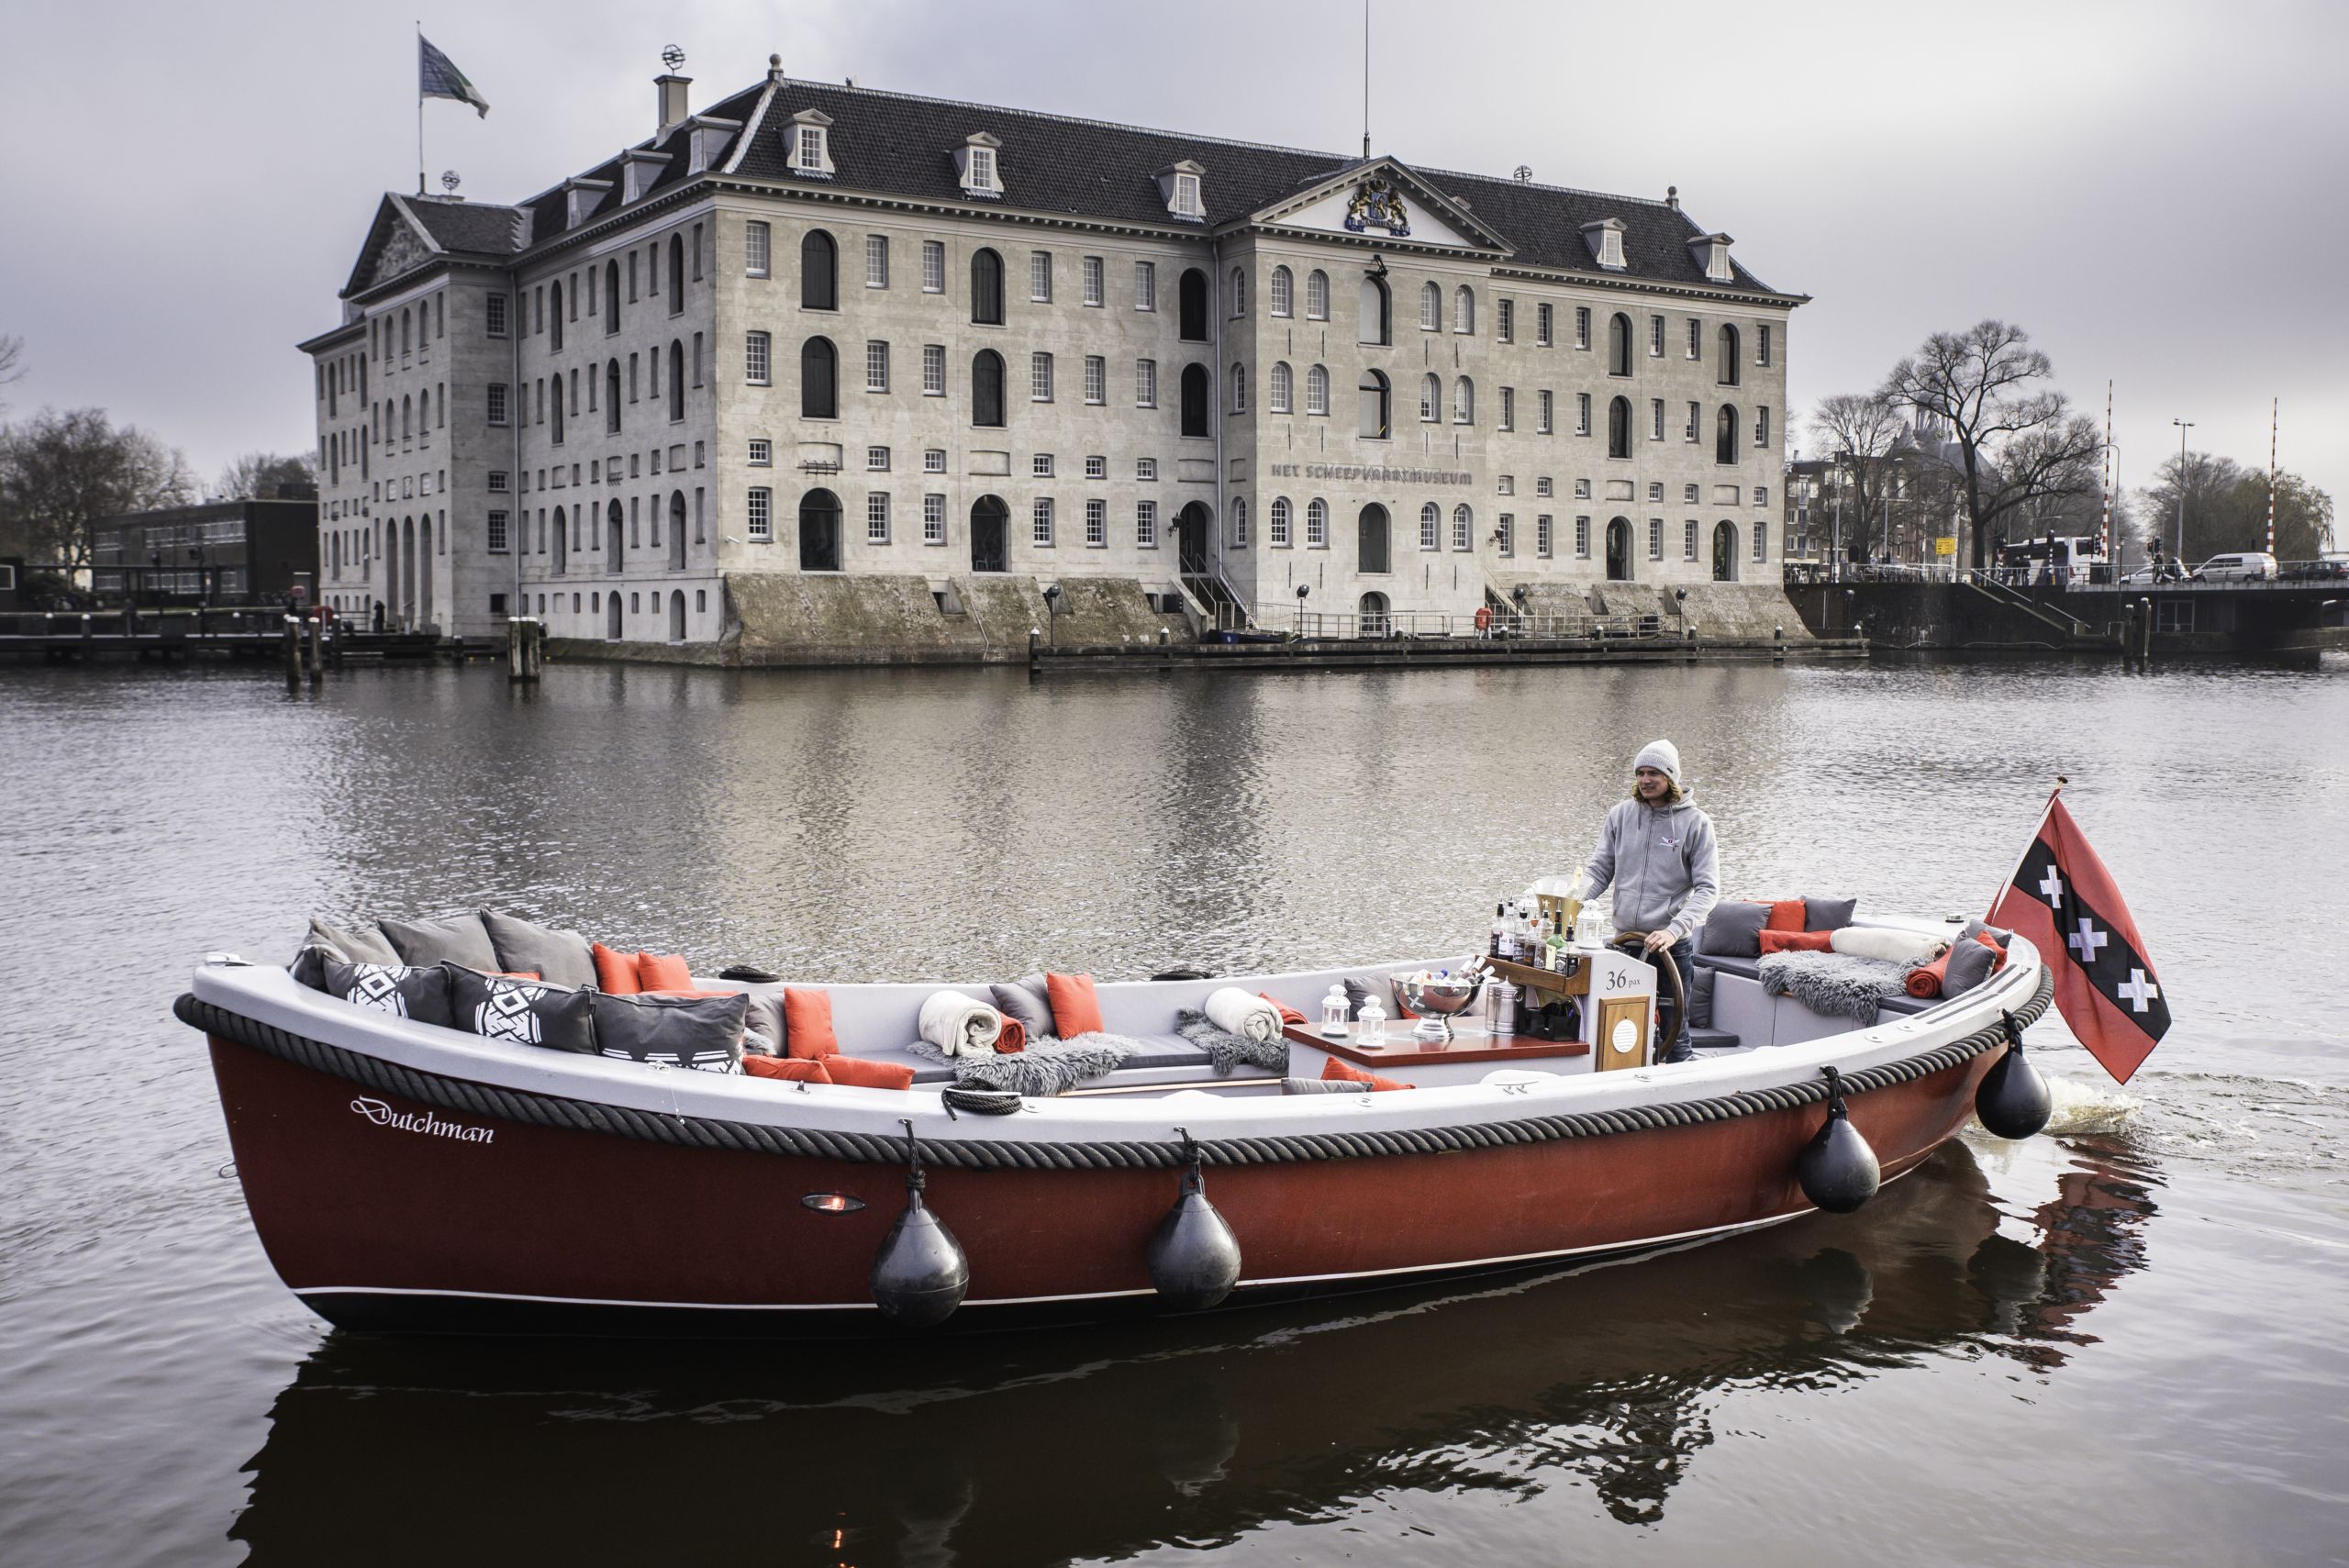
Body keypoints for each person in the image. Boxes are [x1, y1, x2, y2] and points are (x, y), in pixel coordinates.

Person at [1579, 740, 1720, 1063]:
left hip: (1670, 946)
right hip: (1625, 943)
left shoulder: (1696, 824)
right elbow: (1599, 871)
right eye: (1640, 773)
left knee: (1675, 1031)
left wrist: (1674, 930)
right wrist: (1569, 905)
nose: (1645, 780)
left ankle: (1683, 1092)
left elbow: (1708, 890)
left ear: (1670, 777)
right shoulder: (1620, 816)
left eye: (1653, 773)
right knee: (1618, 1027)